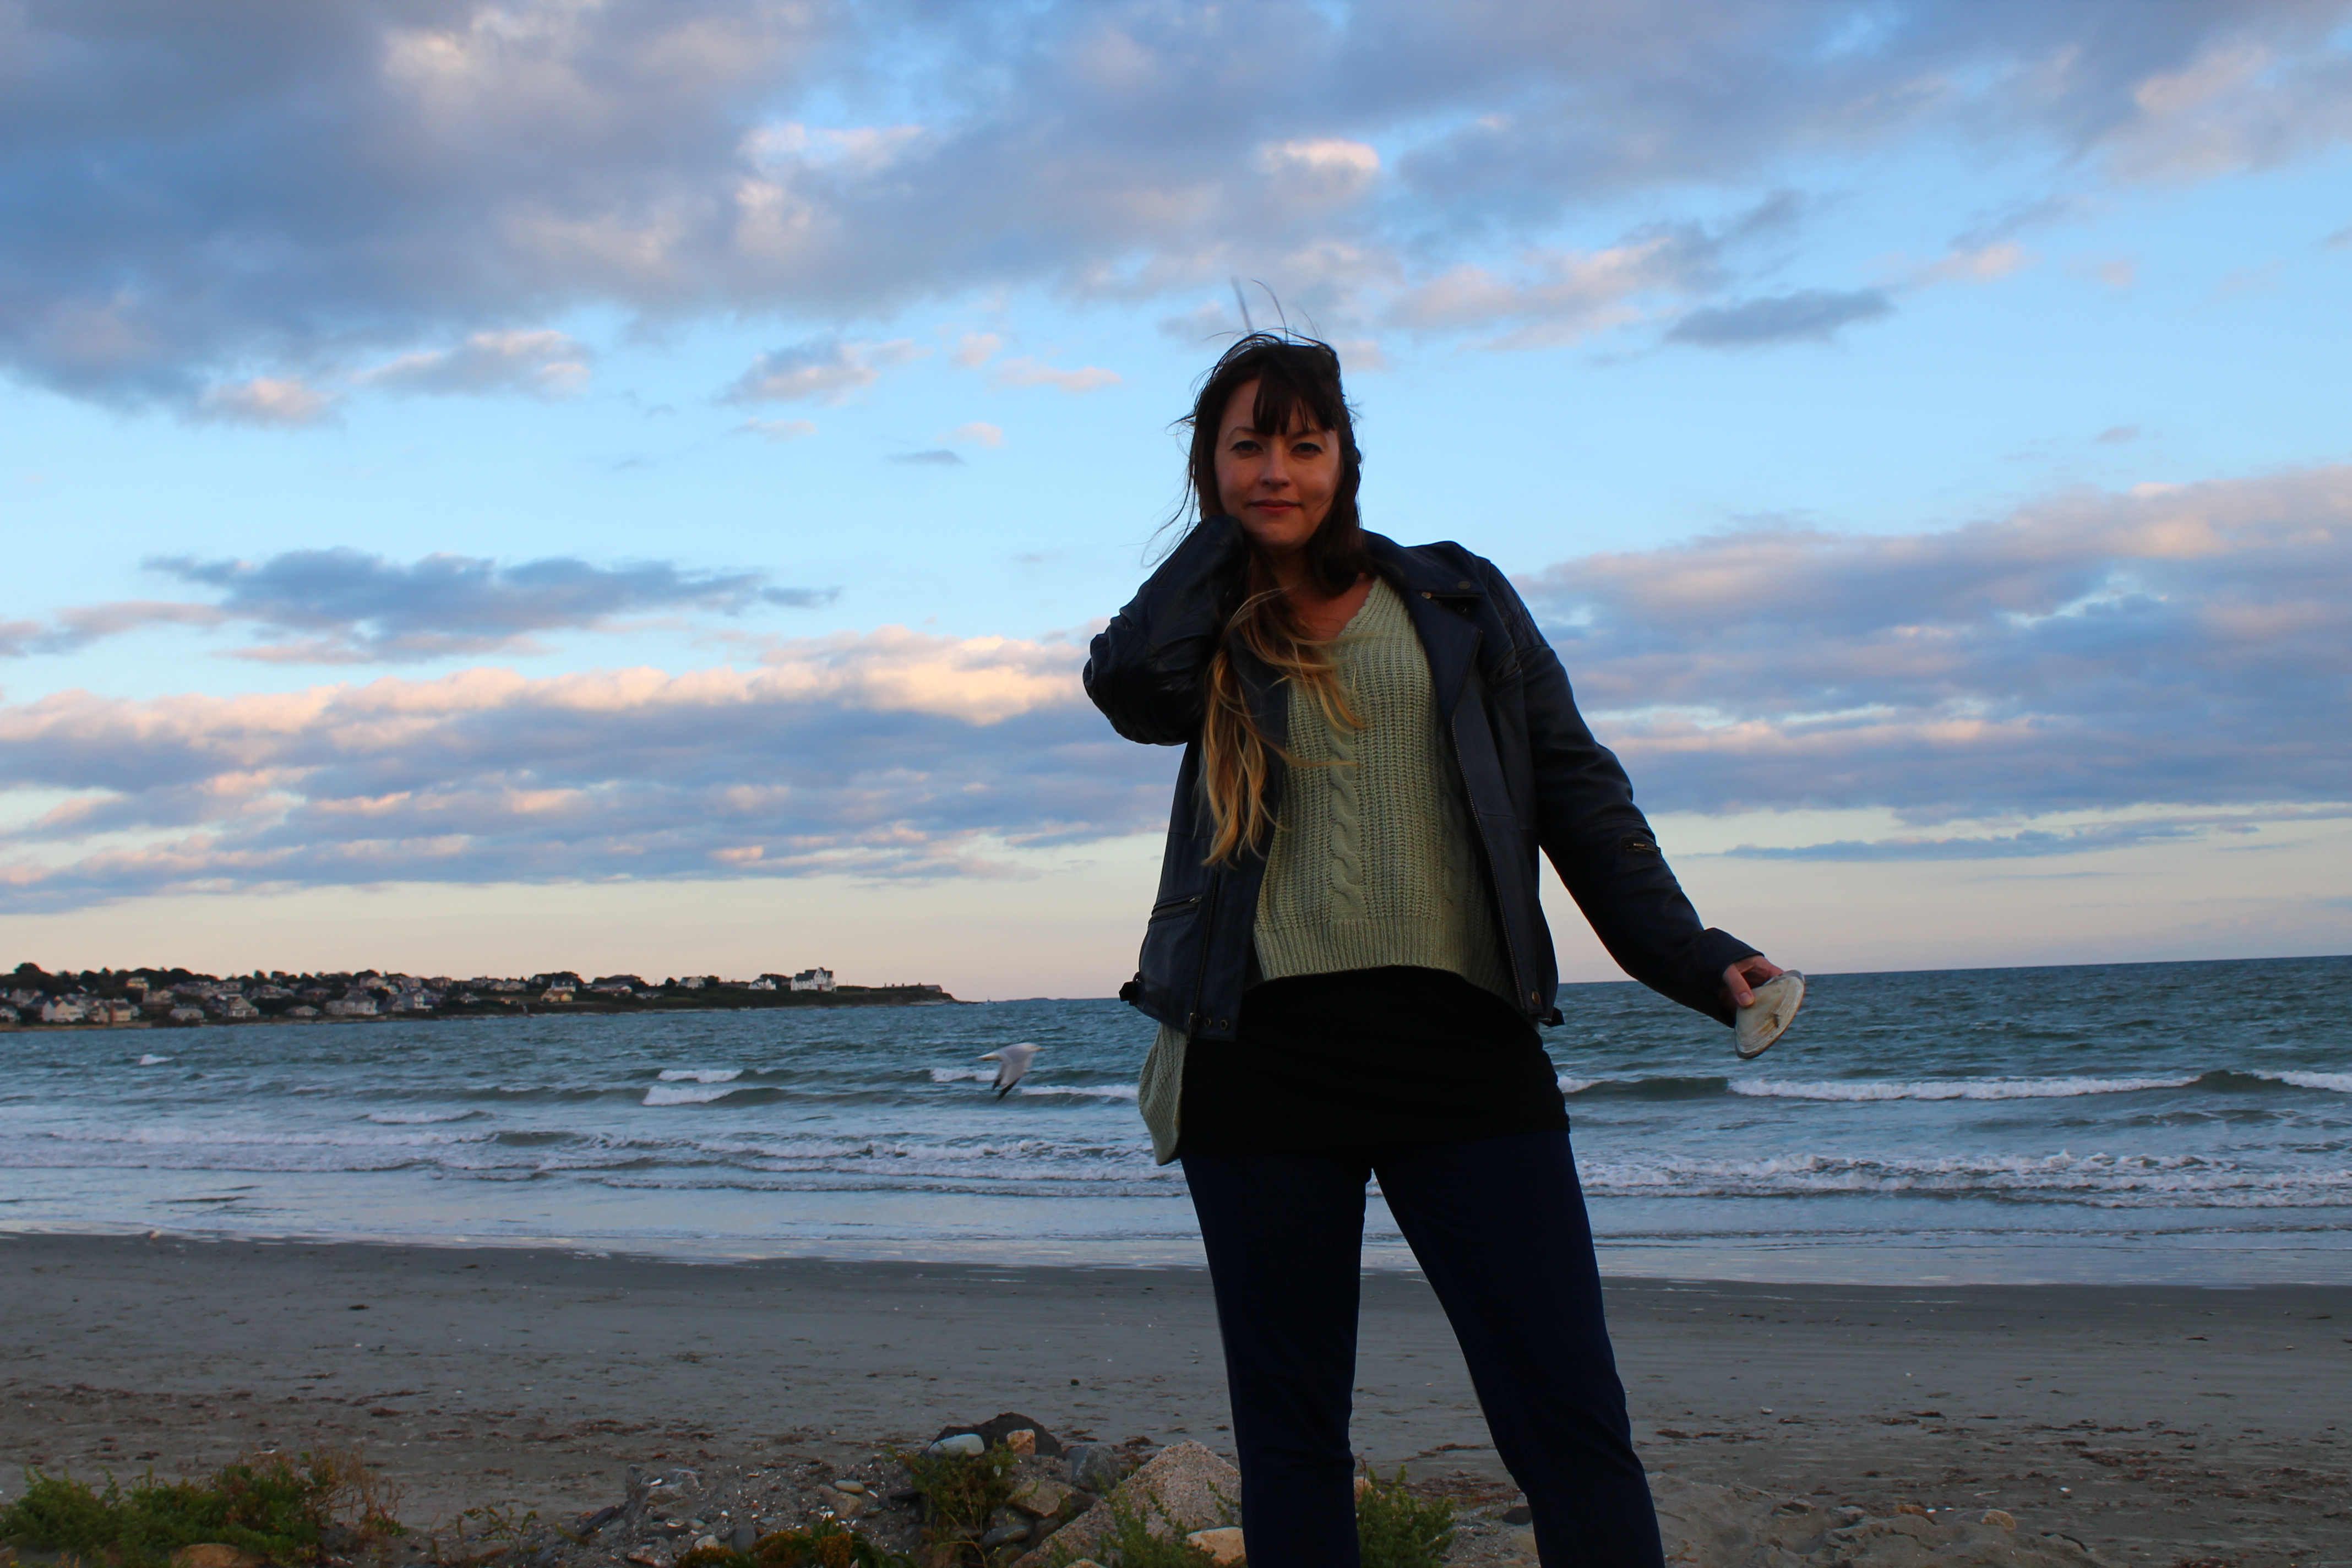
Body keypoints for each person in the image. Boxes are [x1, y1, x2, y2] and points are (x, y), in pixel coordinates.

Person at [1083, 333, 1785, 1567]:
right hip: (1259, 1058)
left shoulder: (1460, 598)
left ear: (1347, 460)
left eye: (1306, 444)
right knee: (1293, 1437)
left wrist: (1691, 954)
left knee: (1568, 1415)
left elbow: (1576, 791)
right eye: (1248, 447)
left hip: (1464, 1049)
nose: (1279, 470)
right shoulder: (1205, 629)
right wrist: (1222, 542)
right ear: (1211, 467)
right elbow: (1130, 685)